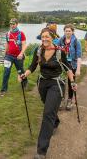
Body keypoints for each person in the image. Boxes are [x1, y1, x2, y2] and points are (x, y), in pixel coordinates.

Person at [18, 27, 77, 159]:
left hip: (56, 84)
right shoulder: (38, 50)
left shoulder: (59, 52)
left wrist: (72, 82)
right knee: (49, 108)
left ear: (53, 37)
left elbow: (68, 69)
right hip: (43, 84)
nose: (44, 39)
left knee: (47, 114)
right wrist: (24, 75)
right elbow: (32, 66)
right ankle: (55, 121)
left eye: (47, 36)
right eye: (42, 36)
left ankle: (41, 151)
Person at [0, 18, 27, 97]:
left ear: (17, 24)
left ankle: (25, 82)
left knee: (20, 71)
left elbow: (24, 45)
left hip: (18, 56)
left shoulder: (21, 34)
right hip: (9, 56)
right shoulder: (8, 34)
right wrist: (5, 54)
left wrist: (21, 54)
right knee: (6, 72)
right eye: (11, 24)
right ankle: (3, 90)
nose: (12, 25)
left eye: (13, 24)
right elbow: (7, 44)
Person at [59, 24, 82, 111]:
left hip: (72, 65)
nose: (67, 32)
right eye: (66, 31)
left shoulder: (76, 42)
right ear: (64, 31)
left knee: (70, 83)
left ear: (72, 32)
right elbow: (56, 49)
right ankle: (61, 99)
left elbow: (79, 57)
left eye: (69, 31)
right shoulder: (61, 40)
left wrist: (78, 69)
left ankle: (69, 100)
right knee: (61, 82)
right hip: (62, 65)